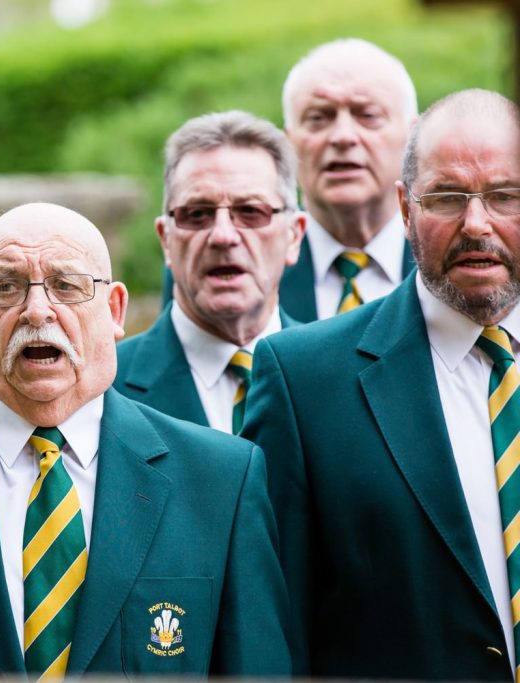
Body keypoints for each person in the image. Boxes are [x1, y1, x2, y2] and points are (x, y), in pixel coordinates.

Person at [0, 202, 290, 677]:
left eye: (66, 286)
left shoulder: (221, 481)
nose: (37, 310)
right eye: (5, 288)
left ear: (115, 308)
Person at [243, 89, 520, 679]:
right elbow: (275, 631)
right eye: (446, 197)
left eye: (505, 196)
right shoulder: (304, 381)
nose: (477, 224)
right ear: (404, 207)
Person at [116, 111, 304, 432]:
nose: (223, 236)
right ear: (166, 239)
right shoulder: (105, 388)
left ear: (293, 235)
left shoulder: (337, 376)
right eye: (197, 214)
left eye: (250, 211)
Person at [278, 38, 417, 322]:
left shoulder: (452, 259)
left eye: (367, 115)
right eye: (318, 118)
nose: (342, 136)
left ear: (412, 139)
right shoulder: (246, 265)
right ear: (288, 145)